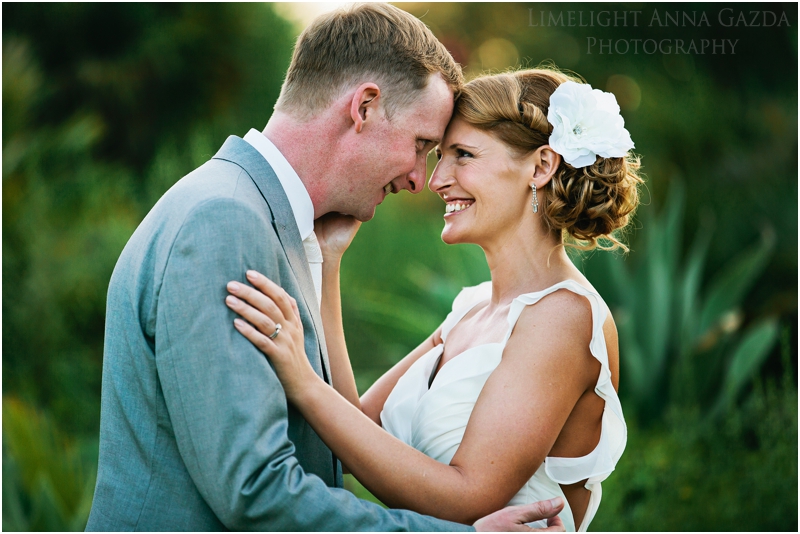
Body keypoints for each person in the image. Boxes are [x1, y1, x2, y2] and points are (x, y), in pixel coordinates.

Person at [86, 4, 565, 531]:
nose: (418, 178)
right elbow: (255, 492)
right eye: (422, 145)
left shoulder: (256, 218)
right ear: (364, 107)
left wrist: (326, 261)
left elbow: (337, 436)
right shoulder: (224, 222)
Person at [224, 67, 643, 531]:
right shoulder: (471, 308)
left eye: (463, 155)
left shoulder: (563, 317)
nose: (436, 179)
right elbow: (356, 426)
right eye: (440, 155)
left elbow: (468, 497)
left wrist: (302, 382)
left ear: (541, 167)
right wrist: (328, 259)